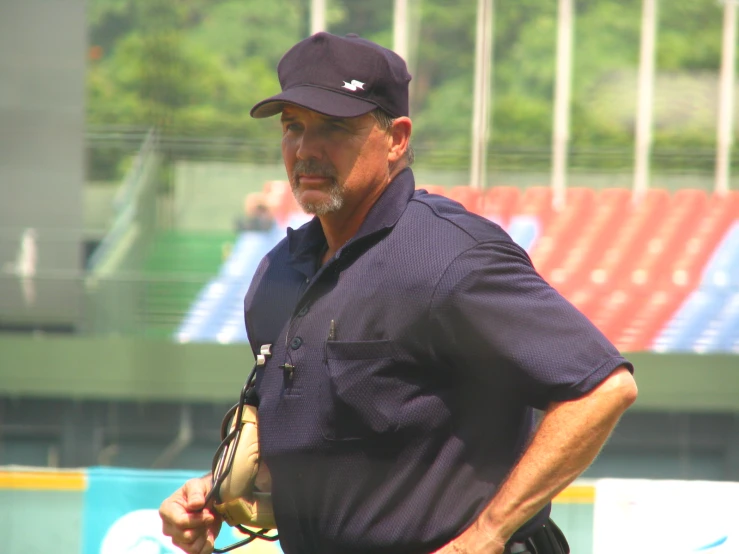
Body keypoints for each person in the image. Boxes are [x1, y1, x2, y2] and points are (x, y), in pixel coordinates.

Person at [160, 32, 638, 554]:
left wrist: (486, 535)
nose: (306, 148)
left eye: (334, 127)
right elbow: (317, 444)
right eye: (293, 127)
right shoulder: (277, 275)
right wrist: (213, 496)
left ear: (397, 139)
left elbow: (601, 389)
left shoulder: (450, 255)